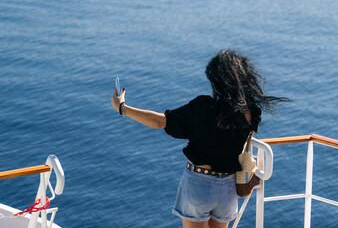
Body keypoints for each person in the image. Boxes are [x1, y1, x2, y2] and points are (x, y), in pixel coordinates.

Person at [111, 49, 289, 228]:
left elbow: (159, 121)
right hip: (228, 188)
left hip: (199, 184)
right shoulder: (251, 113)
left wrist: (122, 107)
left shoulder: (203, 108)